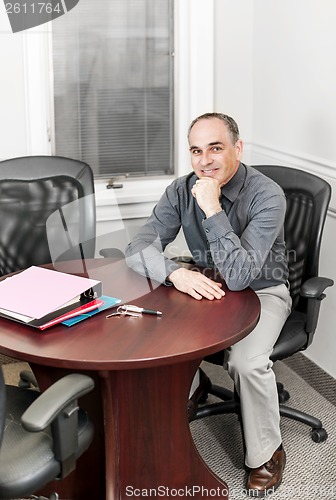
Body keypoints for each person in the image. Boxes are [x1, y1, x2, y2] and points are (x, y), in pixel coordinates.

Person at [125, 112, 292, 496]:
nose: (205, 160)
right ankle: (193, 383)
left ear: (238, 148)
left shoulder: (267, 195)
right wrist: (176, 274)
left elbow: (240, 276)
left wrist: (214, 209)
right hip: (204, 284)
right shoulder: (181, 190)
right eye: (196, 151)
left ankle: (267, 453)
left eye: (215, 148)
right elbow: (138, 247)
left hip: (261, 290)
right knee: (155, 335)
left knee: (245, 363)